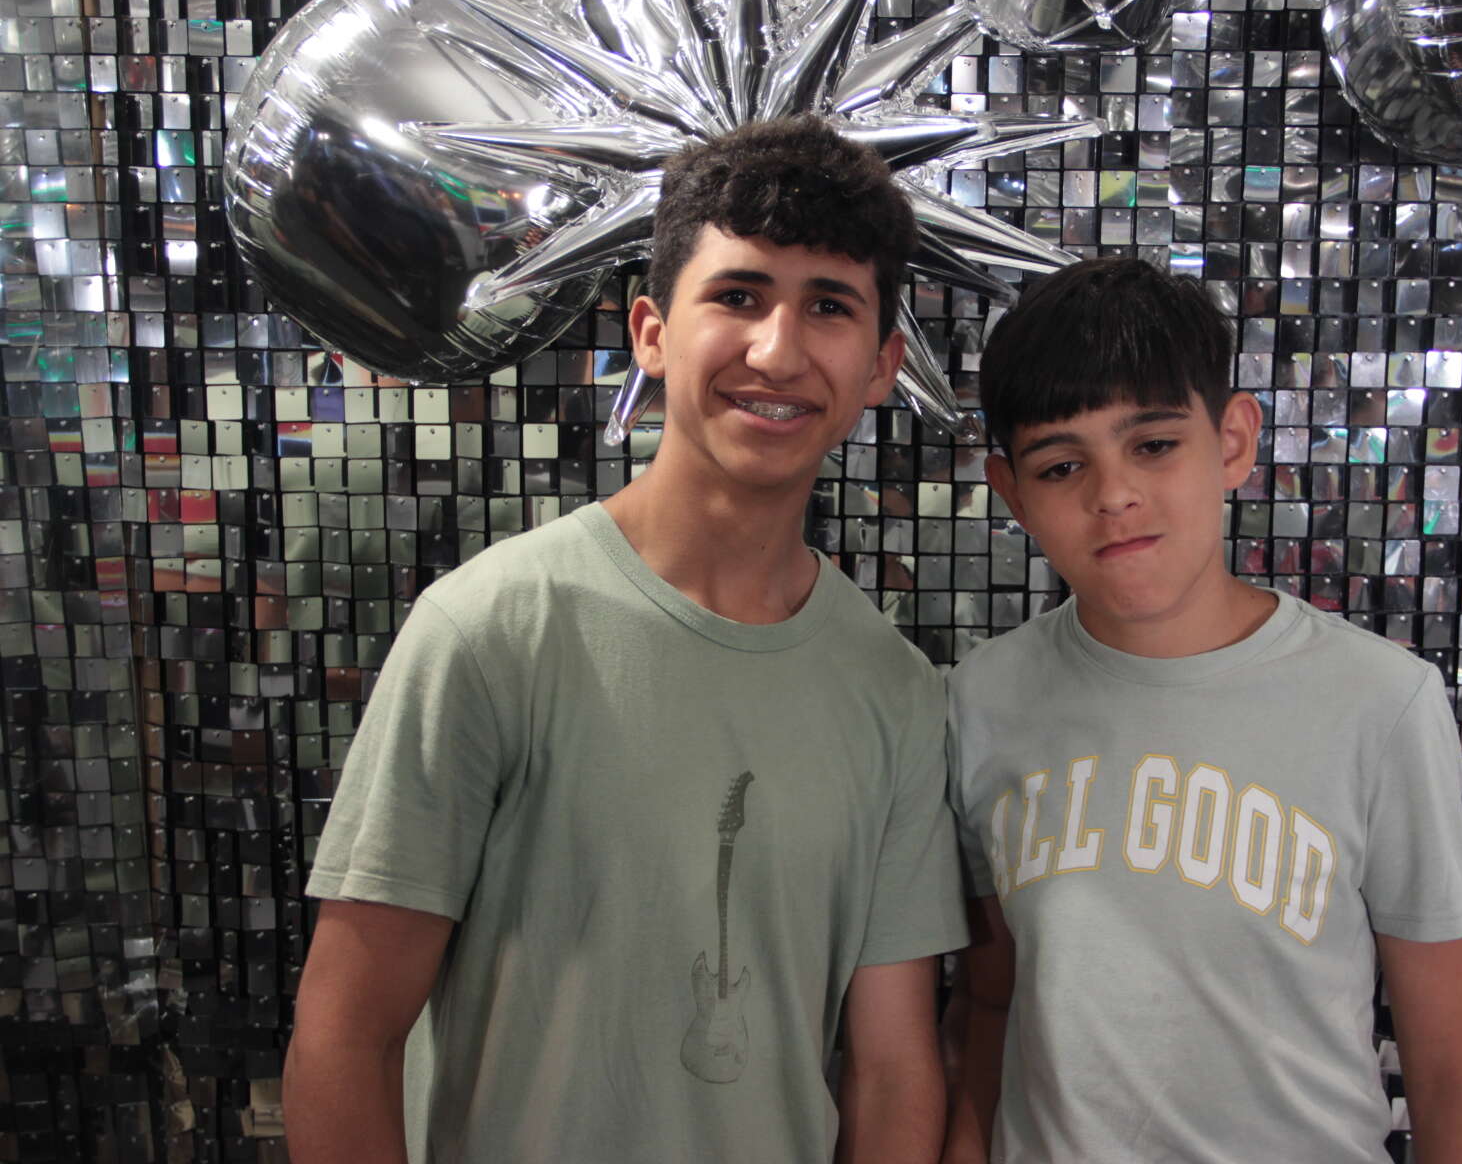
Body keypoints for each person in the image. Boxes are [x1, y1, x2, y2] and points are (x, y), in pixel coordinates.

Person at [283, 115, 968, 1164]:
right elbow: (344, 1035)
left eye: (829, 306)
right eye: (737, 296)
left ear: (882, 365)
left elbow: (891, 1069)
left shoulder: (897, 691)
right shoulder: (492, 630)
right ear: (651, 331)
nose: (777, 350)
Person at [941, 258, 1462, 1163]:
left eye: (1154, 445)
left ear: (1235, 441)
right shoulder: (979, 701)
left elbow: (1451, 1056)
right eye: (1062, 465)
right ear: (1014, 493)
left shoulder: (1379, 701)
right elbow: (989, 1001)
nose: (1113, 495)